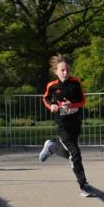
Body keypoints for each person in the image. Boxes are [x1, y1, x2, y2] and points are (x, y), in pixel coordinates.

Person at [38, 54, 93, 197]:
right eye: (62, 70)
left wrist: (72, 104)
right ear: (56, 71)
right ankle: (83, 184)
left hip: (75, 123)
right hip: (62, 125)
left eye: (67, 70)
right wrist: (52, 106)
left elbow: (82, 101)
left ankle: (51, 147)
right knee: (75, 152)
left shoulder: (75, 83)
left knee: (69, 153)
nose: (65, 72)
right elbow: (46, 99)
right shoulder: (52, 86)